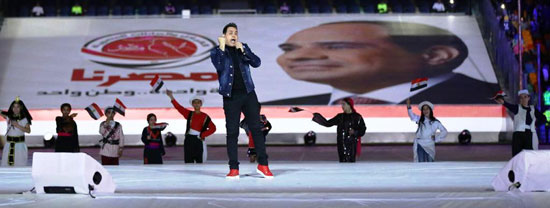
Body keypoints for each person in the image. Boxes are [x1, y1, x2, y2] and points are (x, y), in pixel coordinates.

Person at [270, 21, 499, 105]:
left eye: (336, 46)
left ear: (436, 55)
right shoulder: (291, 106)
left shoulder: (487, 99)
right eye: (290, 49)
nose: (296, 58)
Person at [210, 22, 273, 179]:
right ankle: (234, 169)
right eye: (230, 32)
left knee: (256, 129)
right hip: (231, 97)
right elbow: (219, 66)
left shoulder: (243, 47)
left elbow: (257, 63)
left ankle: (263, 165)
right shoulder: (217, 51)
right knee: (232, 133)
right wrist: (222, 48)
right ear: (224, 36)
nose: (234, 35)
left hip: (248, 94)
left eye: (236, 32)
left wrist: (244, 50)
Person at [166, 90, 216, 163]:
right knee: (188, 161)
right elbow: (179, 107)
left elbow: (213, 128)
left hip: (199, 140)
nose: (196, 104)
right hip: (189, 140)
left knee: (200, 161)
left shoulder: (205, 116)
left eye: (198, 102)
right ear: (192, 104)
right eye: (194, 102)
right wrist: (171, 96)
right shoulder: (189, 114)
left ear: (201, 104)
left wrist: (202, 135)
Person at [312, 98, 366, 162]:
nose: (342, 106)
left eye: (344, 104)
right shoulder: (340, 117)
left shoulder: (357, 117)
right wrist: (317, 117)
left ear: (349, 105)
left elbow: (362, 129)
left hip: (352, 144)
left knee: (351, 161)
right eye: (341, 104)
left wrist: (355, 132)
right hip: (341, 143)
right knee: (342, 160)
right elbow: (328, 123)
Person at [494, 89, 546, 156]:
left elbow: (543, 119)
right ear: (520, 100)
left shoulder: (533, 109)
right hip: (518, 135)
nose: (523, 99)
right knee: (517, 156)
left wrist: (536, 125)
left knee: (529, 155)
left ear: (528, 98)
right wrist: (503, 102)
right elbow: (509, 105)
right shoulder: (517, 108)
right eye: (521, 98)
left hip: (529, 135)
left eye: (525, 97)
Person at [1, 97, 32, 167]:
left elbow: (28, 130)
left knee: (19, 164)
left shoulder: (24, 119)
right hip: (8, 144)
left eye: (17, 107)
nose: (15, 109)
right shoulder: (9, 117)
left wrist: (17, 125)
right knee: (7, 164)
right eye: (14, 107)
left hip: (19, 145)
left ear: (21, 108)